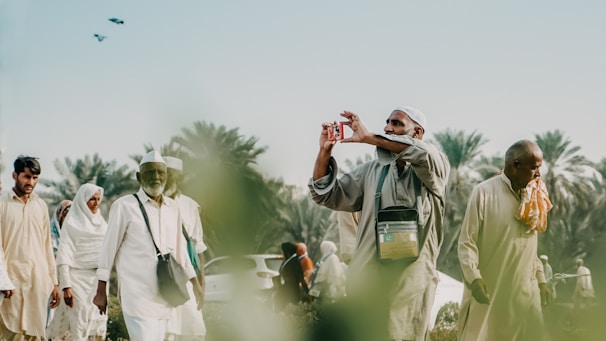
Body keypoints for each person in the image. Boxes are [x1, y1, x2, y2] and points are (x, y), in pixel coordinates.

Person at [309, 106, 450, 341]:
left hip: (411, 285)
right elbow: (326, 194)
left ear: (417, 133)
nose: (387, 128)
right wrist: (324, 153)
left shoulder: (435, 167)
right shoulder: (372, 171)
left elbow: (422, 154)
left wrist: (368, 138)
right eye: (387, 123)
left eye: (396, 124)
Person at [93, 151, 204, 341]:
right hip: (136, 295)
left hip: (164, 295)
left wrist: (196, 283)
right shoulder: (124, 206)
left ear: (166, 176)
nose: (156, 177)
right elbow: (108, 249)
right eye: (150, 172)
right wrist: (101, 290)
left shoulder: (173, 208)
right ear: (138, 177)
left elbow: (180, 251)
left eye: (160, 173)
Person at [457, 140, 553, 341]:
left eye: (539, 168)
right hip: (490, 292)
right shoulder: (484, 193)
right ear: (515, 165)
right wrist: (474, 278)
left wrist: (541, 280)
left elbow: (529, 248)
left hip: (526, 294)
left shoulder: (535, 197)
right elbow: (467, 242)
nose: (538, 174)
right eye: (534, 168)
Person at [0, 155, 60, 339]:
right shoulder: (2, 204)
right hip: (11, 284)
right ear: (14, 175)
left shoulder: (40, 206)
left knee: (35, 333)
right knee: (11, 333)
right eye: (26, 177)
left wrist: (54, 281)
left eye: (35, 178)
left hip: (37, 282)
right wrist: (3, 281)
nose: (31, 182)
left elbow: (46, 247)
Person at [47, 184, 108, 340]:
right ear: (83, 200)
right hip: (77, 280)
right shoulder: (72, 224)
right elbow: (64, 256)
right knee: (78, 325)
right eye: (92, 199)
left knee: (97, 323)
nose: (96, 203)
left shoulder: (102, 224)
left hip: (98, 281)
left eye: (98, 199)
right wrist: (66, 287)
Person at [163, 156, 207, 341]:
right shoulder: (148, 205)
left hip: (188, 279)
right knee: (166, 330)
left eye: (173, 175)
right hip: (162, 276)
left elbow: (198, 246)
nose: (169, 178)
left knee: (193, 328)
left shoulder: (190, 205)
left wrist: (201, 282)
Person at [272, 242, 309, 312]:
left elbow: (300, 276)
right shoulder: (287, 260)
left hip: (292, 289)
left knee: (291, 309)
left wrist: (306, 290)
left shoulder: (295, 261)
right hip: (285, 287)